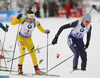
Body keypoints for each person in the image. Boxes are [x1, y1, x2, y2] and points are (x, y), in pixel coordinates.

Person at [11, 10, 50, 74]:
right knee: (23, 52)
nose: (32, 20)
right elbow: (12, 23)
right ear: (27, 17)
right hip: (21, 38)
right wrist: (17, 18)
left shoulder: (35, 22)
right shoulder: (23, 19)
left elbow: (41, 28)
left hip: (29, 39)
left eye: (33, 18)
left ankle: (36, 69)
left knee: (33, 53)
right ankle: (20, 68)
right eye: (30, 18)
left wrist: (45, 31)